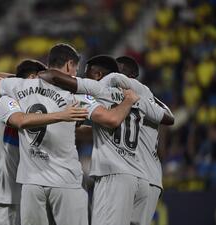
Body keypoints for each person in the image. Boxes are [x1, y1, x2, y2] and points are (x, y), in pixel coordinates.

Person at [0, 44, 140, 225]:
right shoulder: (74, 95)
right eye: (76, 69)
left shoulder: (18, 88)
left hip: (31, 184)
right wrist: (128, 101)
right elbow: (111, 119)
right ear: (69, 64)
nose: (75, 74)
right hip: (66, 181)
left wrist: (23, 81)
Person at [39, 54, 173, 225]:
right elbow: (169, 118)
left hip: (117, 172)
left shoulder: (103, 87)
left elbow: (111, 120)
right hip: (146, 178)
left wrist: (29, 83)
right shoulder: (142, 98)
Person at [0, 59, 89, 225]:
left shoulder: (38, 108)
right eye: (42, 81)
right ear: (32, 78)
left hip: (28, 187)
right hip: (2, 193)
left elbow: (55, 128)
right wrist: (17, 80)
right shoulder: (8, 101)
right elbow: (21, 120)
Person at [113, 56, 174, 225]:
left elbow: (169, 117)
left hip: (148, 176)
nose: (113, 77)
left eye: (117, 72)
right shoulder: (118, 99)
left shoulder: (143, 98)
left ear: (131, 77)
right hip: (130, 175)